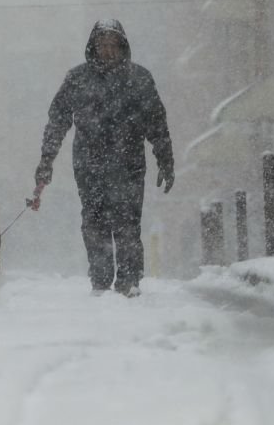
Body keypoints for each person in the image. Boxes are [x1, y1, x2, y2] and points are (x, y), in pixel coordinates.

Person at [29, 19, 174, 297]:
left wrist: (165, 159)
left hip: (129, 164)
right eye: (102, 45)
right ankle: (100, 280)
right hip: (89, 165)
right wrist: (46, 160)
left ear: (122, 47)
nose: (107, 50)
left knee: (128, 222)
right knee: (94, 221)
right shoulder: (77, 79)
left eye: (112, 45)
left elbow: (157, 123)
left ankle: (129, 280)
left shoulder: (139, 79)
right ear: (92, 47)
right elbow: (57, 122)